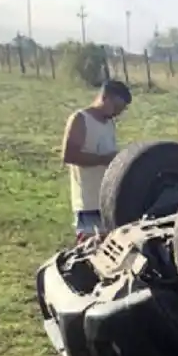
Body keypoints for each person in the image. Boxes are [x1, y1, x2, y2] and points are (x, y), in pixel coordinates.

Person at [60, 79, 130, 241]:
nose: (118, 113)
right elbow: (69, 155)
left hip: (108, 201)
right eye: (116, 107)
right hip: (88, 203)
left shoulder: (109, 124)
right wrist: (103, 159)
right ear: (105, 98)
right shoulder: (80, 119)